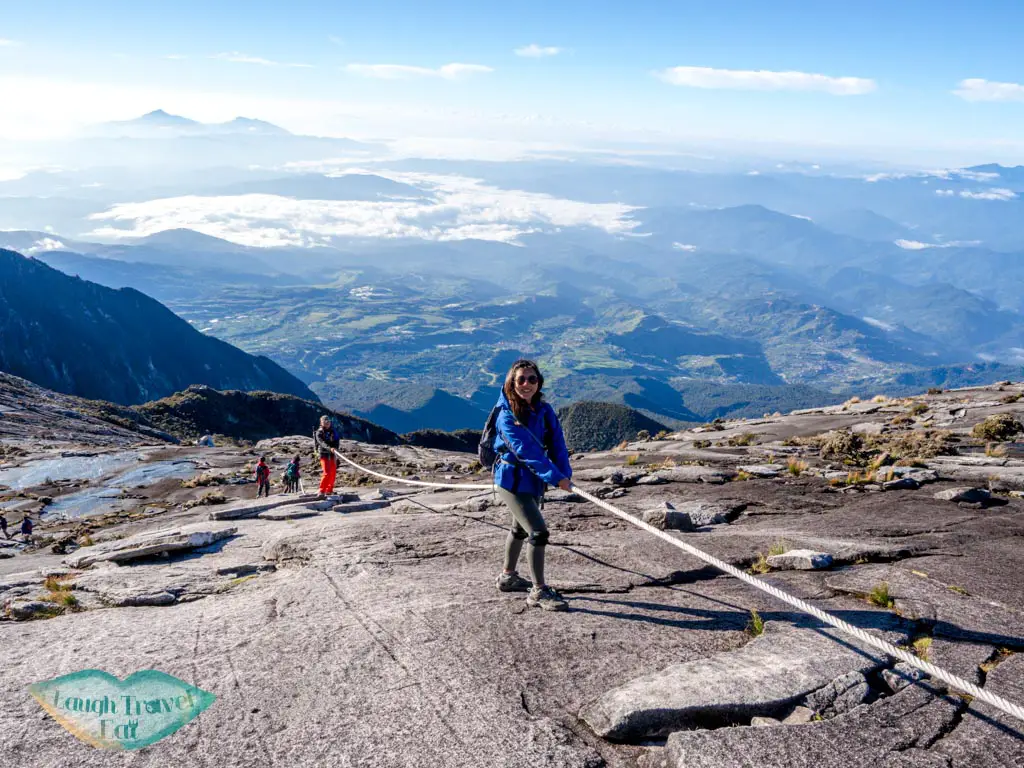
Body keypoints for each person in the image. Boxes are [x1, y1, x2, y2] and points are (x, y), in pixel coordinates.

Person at [492, 359, 573, 612]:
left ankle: (508, 577)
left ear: (539, 383)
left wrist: (565, 474)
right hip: (512, 480)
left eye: (532, 379)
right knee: (538, 532)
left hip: (533, 480)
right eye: (521, 380)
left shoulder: (544, 410)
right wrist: (554, 476)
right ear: (511, 383)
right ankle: (538, 591)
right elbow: (526, 452)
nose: (527, 384)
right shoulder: (506, 417)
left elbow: (558, 445)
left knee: (519, 528)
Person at [314, 415, 340, 497]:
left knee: (333, 472)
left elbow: (337, 440)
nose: (327, 423)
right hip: (324, 454)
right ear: (322, 423)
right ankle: (322, 490)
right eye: (325, 422)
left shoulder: (333, 431)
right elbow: (322, 443)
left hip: (332, 454)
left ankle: (329, 490)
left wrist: (335, 448)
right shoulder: (319, 432)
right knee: (326, 472)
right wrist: (330, 448)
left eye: (328, 422)